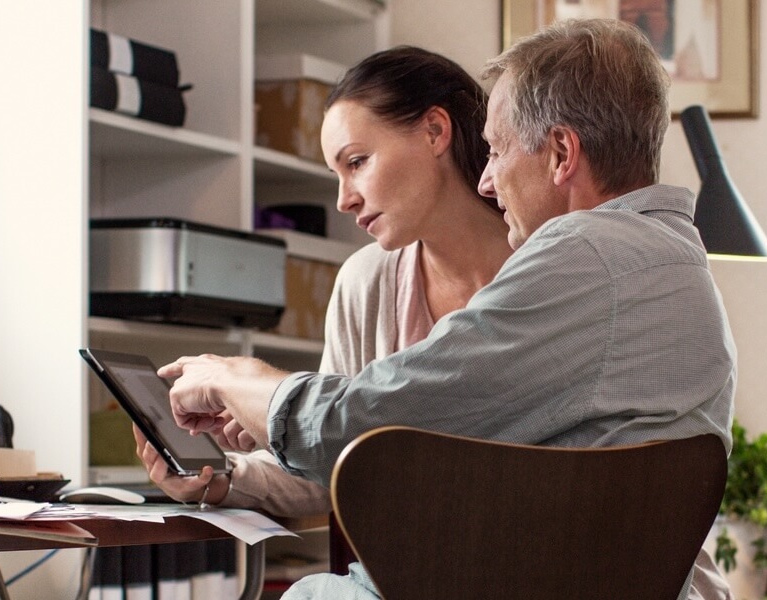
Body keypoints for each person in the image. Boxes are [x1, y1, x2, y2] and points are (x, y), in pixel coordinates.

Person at [156, 19, 737, 599]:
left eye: (498, 150)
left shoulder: (579, 254)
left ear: (561, 153)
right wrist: (240, 457)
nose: (487, 179)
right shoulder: (679, 262)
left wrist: (237, 378)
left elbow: (357, 428)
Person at [130, 46, 512, 519]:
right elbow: (333, 461)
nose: (343, 200)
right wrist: (221, 477)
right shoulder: (366, 280)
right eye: (336, 174)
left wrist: (249, 385)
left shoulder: (557, 267)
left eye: (357, 162)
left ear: (434, 131)